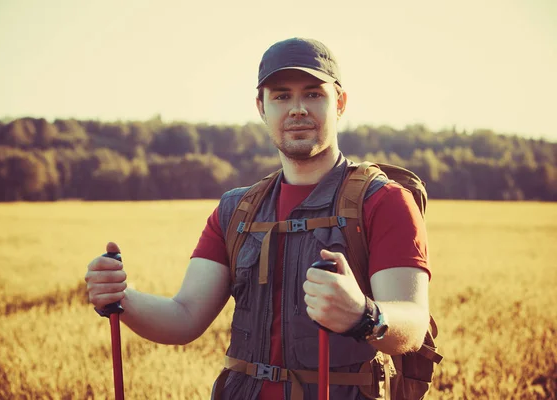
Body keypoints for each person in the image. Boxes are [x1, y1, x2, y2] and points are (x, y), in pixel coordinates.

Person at [85, 37, 431, 400]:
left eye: (314, 94)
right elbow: (183, 316)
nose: (297, 109)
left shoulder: (384, 201)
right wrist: (121, 298)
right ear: (261, 107)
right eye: (281, 96)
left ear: (339, 103)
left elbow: (413, 323)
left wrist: (363, 314)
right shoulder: (235, 211)